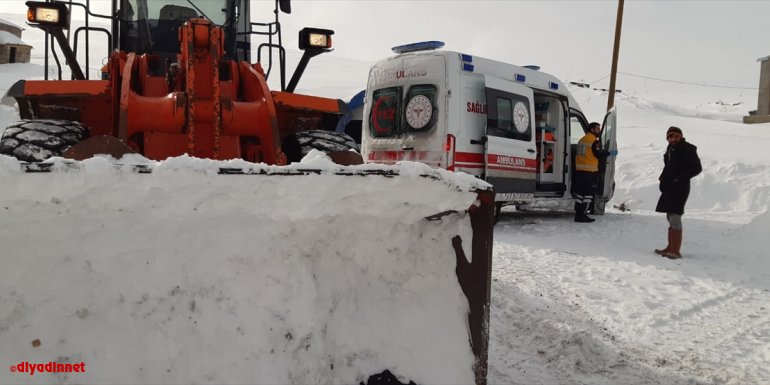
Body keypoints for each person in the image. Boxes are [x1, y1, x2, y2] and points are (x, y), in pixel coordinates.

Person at [654, 126, 702, 259]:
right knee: (670, 216)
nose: (673, 139)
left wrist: (679, 178)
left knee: (675, 216)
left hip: (680, 187)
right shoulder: (670, 149)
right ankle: (670, 247)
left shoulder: (688, 149)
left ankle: (675, 251)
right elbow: (668, 166)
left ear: (681, 136)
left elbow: (697, 168)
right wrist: (663, 176)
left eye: (675, 136)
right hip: (670, 186)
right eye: (670, 136)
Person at [573, 122, 617, 222]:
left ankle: (578, 214)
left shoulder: (582, 140)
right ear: (592, 129)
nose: (599, 131)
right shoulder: (594, 141)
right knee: (588, 194)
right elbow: (598, 154)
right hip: (589, 172)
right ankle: (582, 215)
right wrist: (609, 153)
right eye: (597, 129)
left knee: (580, 194)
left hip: (579, 171)